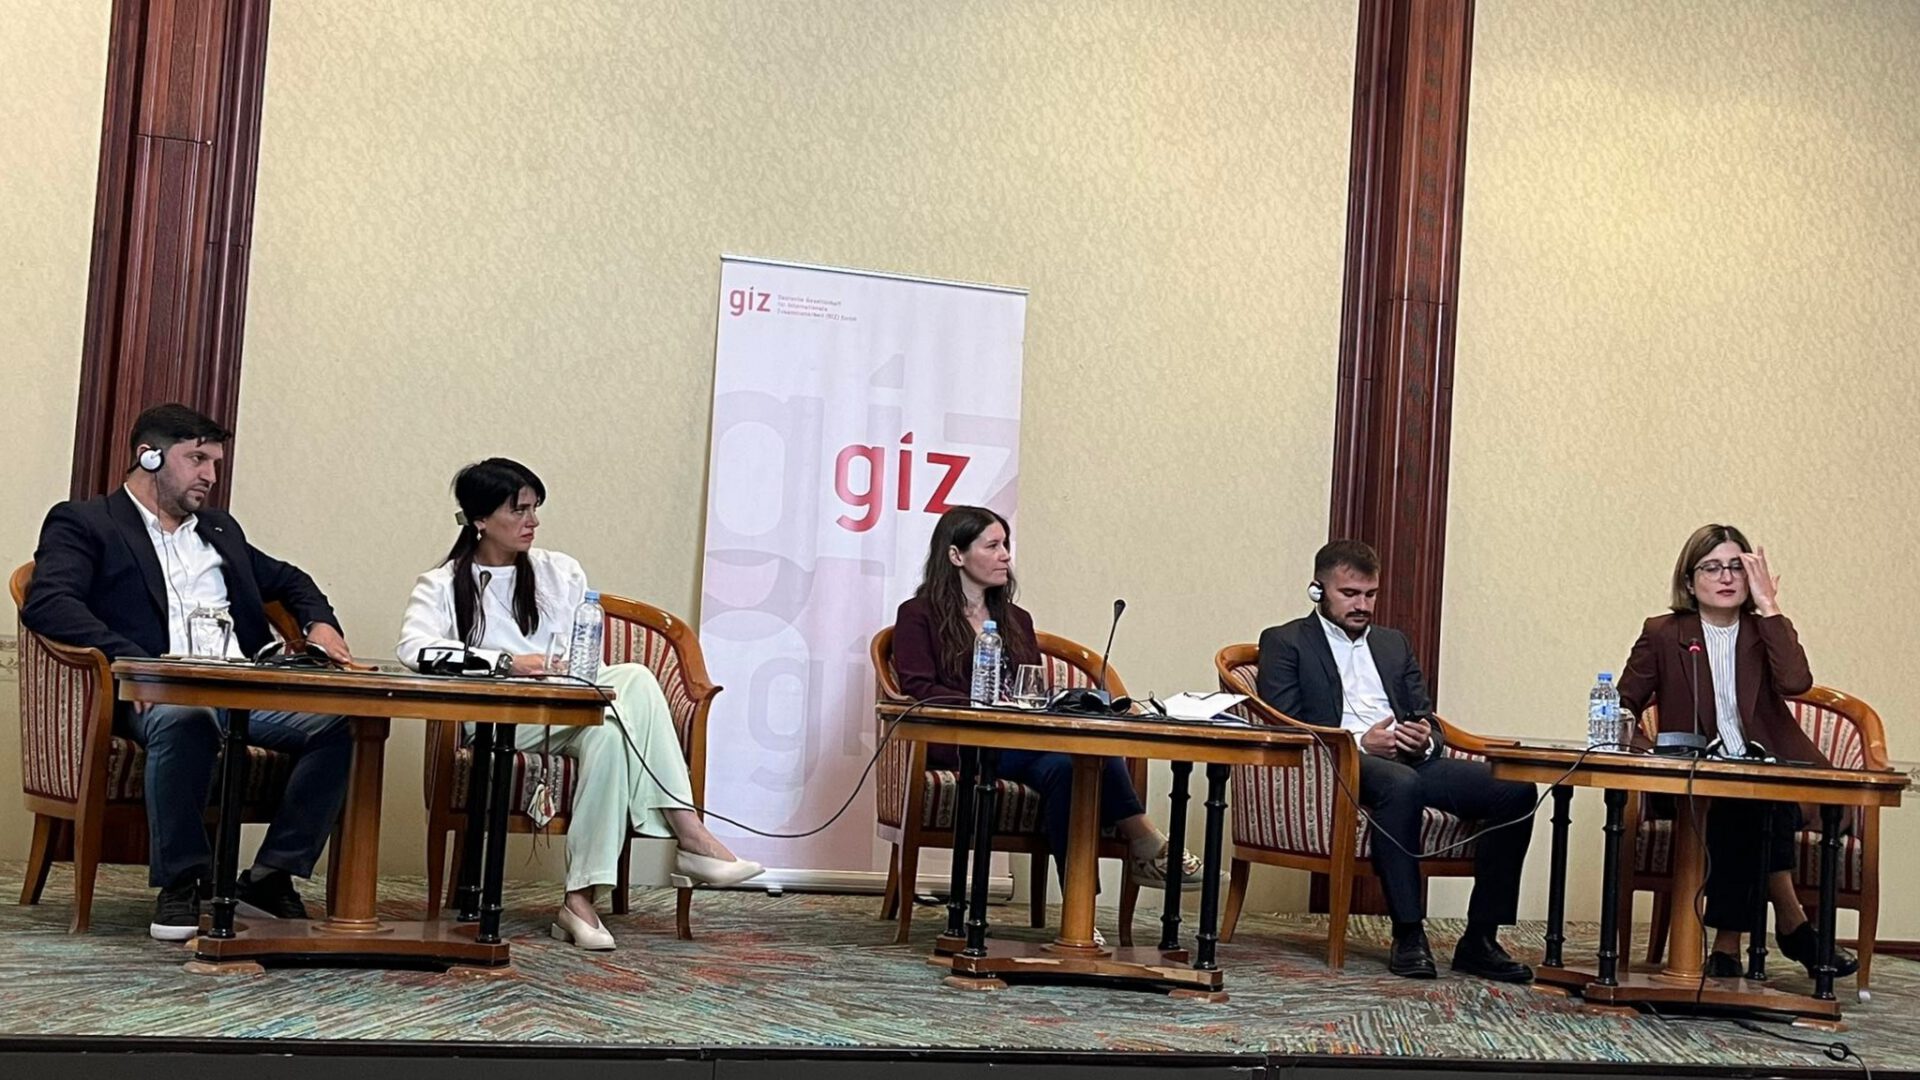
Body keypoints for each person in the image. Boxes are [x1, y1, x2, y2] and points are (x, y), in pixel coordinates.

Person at [397, 458, 762, 951]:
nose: (532, 521)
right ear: (480, 519)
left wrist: (560, 670)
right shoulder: (442, 584)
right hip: (499, 719)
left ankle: (578, 902)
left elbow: (582, 658)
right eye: (519, 510)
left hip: (567, 708)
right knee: (633, 681)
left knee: (611, 730)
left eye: (535, 509)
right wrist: (507, 662)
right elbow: (415, 649)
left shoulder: (559, 570)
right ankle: (690, 834)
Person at [22, 403, 354, 940]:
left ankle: (271, 875)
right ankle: (183, 882)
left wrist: (320, 623)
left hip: (240, 690)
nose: (210, 475)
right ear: (148, 456)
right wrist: (137, 662)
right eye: (197, 459)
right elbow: (50, 602)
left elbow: (291, 580)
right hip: (151, 693)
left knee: (342, 724)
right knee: (187, 718)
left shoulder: (219, 530)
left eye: (215, 463)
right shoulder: (86, 522)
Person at [1256, 540, 1536, 982]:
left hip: (1409, 760)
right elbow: (1288, 724)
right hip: (1339, 764)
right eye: (1350, 593)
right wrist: (1360, 742)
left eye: (1370, 594)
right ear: (1318, 590)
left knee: (1514, 788)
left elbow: (1426, 716)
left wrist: (1424, 740)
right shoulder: (1285, 641)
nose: (1362, 605)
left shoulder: (1393, 644)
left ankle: (1480, 939)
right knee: (1400, 785)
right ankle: (1408, 933)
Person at [890, 505, 1199, 902]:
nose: (1005, 555)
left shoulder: (1016, 618)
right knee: (1083, 755)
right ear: (956, 555)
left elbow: (1031, 687)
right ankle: (1146, 840)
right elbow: (919, 688)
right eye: (992, 546)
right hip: (965, 741)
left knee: (1068, 768)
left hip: (1022, 741)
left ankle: (1078, 910)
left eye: (1006, 545)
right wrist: (986, 706)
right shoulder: (918, 615)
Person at [1617, 523, 1855, 980]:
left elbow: (1795, 683)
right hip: (1690, 780)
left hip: (1769, 776)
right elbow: (1623, 705)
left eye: (1736, 567)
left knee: (1753, 798)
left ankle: (1729, 947)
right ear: (1690, 582)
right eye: (1711, 567)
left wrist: (1770, 607)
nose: (1726, 577)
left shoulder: (1763, 630)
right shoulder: (1664, 632)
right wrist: (1652, 751)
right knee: (1741, 801)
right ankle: (1792, 924)